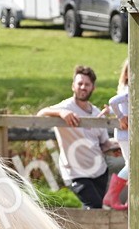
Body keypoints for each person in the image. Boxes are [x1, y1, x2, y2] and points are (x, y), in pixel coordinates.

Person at [37, 65, 120, 210]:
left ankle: (83, 226)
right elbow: (41, 114)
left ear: (93, 88)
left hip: (99, 170)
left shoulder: (97, 113)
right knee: (94, 206)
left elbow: (103, 143)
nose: (83, 87)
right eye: (80, 83)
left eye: (87, 84)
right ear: (73, 86)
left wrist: (115, 148)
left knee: (94, 210)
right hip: (75, 172)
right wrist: (60, 113)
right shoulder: (65, 107)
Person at [101, 59, 131, 210]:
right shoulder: (129, 91)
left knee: (132, 166)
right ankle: (111, 195)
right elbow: (113, 101)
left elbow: (118, 106)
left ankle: (130, 198)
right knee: (132, 165)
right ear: (126, 74)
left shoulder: (126, 90)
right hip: (126, 135)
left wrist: (110, 111)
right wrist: (120, 117)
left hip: (125, 135)